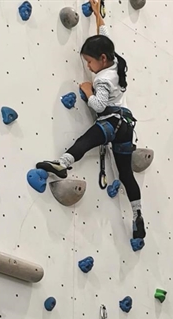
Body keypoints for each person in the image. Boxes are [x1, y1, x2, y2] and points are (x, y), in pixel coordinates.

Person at [36, 0, 145, 240]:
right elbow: (105, 35)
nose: (88, 66)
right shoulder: (115, 61)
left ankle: (62, 164)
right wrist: (97, 14)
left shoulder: (102, 79)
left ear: (102, 59)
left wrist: (87, 90)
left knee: (86, 141)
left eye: (90, 62)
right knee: (126, 174)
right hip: (127, 126)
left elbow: (99, 105)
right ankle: (137, 214)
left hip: (111, 122)